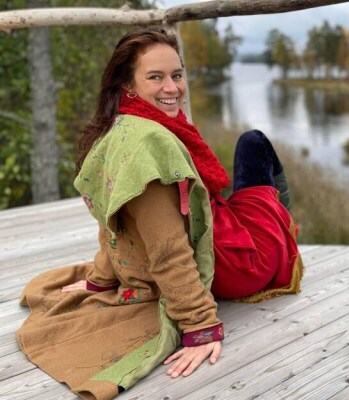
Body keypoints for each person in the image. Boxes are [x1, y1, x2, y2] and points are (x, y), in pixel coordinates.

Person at [16, 28, 303, 400]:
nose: (173, 88)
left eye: (177, 75)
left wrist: (101, 279)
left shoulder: (120, 128)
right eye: (156, 77)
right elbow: (168, 250)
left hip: (220, 233)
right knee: (253, 144)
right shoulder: (150, 145)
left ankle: (284, 225)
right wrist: (200, 327)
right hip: (239, 261)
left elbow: (115, 223)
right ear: (127, 84)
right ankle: (287, 232)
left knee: (249, 165)